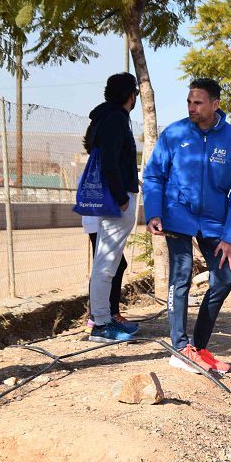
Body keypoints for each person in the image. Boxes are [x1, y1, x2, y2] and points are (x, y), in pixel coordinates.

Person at [143, 78, 231, 373]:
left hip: (215, 223)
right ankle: (180, 348)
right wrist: (153, 212)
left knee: (224, 279)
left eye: (198, 102)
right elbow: (153, 176)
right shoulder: (175, 133)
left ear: (215, 104)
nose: (192, 107)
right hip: (176, 216)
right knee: (181, 276)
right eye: (189, 102)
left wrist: (230, 237)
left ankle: (199, 347)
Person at [85, 73, 141, 343]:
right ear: (130, 95)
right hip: (115, 200)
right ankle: (101, 324)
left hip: (114, 198)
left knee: (109, 262)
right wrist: (121, 197)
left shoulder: (106, 117)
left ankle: (104, 319)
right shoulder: (116, 119)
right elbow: (110, 161)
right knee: (106, 264)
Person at [83, 215, 131, 330]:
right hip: (101, 220)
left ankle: (102, 315)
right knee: (107, 267)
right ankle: (100, 317)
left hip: (102, 220)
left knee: (116, 265)